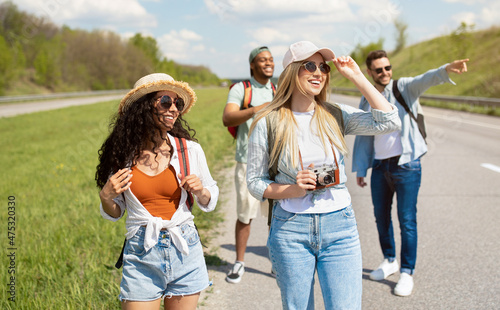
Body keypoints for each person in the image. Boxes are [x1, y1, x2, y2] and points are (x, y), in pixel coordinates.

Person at [246, 41, 401, 309]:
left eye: (323, 67)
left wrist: (357, 77)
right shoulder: (268, 121)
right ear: (292, 72)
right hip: (291, 228)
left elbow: (389, 122)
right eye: (309, 66)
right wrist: (292, 189)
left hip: (339, 226)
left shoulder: (335, 114)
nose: (318, 72)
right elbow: (254, 182)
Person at [95, 73, 219, 310]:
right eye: (165, 101)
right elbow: (115, 212)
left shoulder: (189, 150)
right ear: (143, 107)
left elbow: (210, 197)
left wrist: (201, 190)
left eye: (177, 104)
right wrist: (106, 197)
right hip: (142, 253)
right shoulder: (122, 156)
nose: (173, 108)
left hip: (185, 248)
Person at [352, 50, 469, 296]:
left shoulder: (403, 87)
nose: (384, 72)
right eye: (379, 69)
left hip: (407, 165)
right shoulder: (367, 97)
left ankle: (406, 272)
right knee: (381, 218)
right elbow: (363, 135)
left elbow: (426, 78)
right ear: (370, 73)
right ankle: (390, 260)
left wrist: (447, 68)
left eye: (387, 67)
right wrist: (362, 167)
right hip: (380, 166)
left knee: (406, 220)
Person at [222, 46, 275, 283]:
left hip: (276, 163)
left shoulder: (278, 89)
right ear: (252, 65)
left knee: (277, 216)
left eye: (271, 60)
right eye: (262, 60)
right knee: (246, 215)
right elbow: (227, 118)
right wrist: (256, 110)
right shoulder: (241, 89)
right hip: (248, 162)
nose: (268, 63)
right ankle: (239, 262)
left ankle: (277, 262)